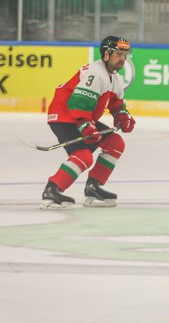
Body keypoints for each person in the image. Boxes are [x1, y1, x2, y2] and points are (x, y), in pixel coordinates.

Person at [42, 36, 136, 210]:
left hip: (80, 115)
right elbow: (78, 103)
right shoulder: (95, 72)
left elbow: (117, 105)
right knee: (84, 155)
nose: (122, 58)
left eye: (124, 54)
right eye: (118, 54)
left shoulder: (114, 79)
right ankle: (52, 189)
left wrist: (123, 116)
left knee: (115, 142)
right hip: (64, 115)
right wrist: (86, 126)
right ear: (106, 54)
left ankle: (93, 187)